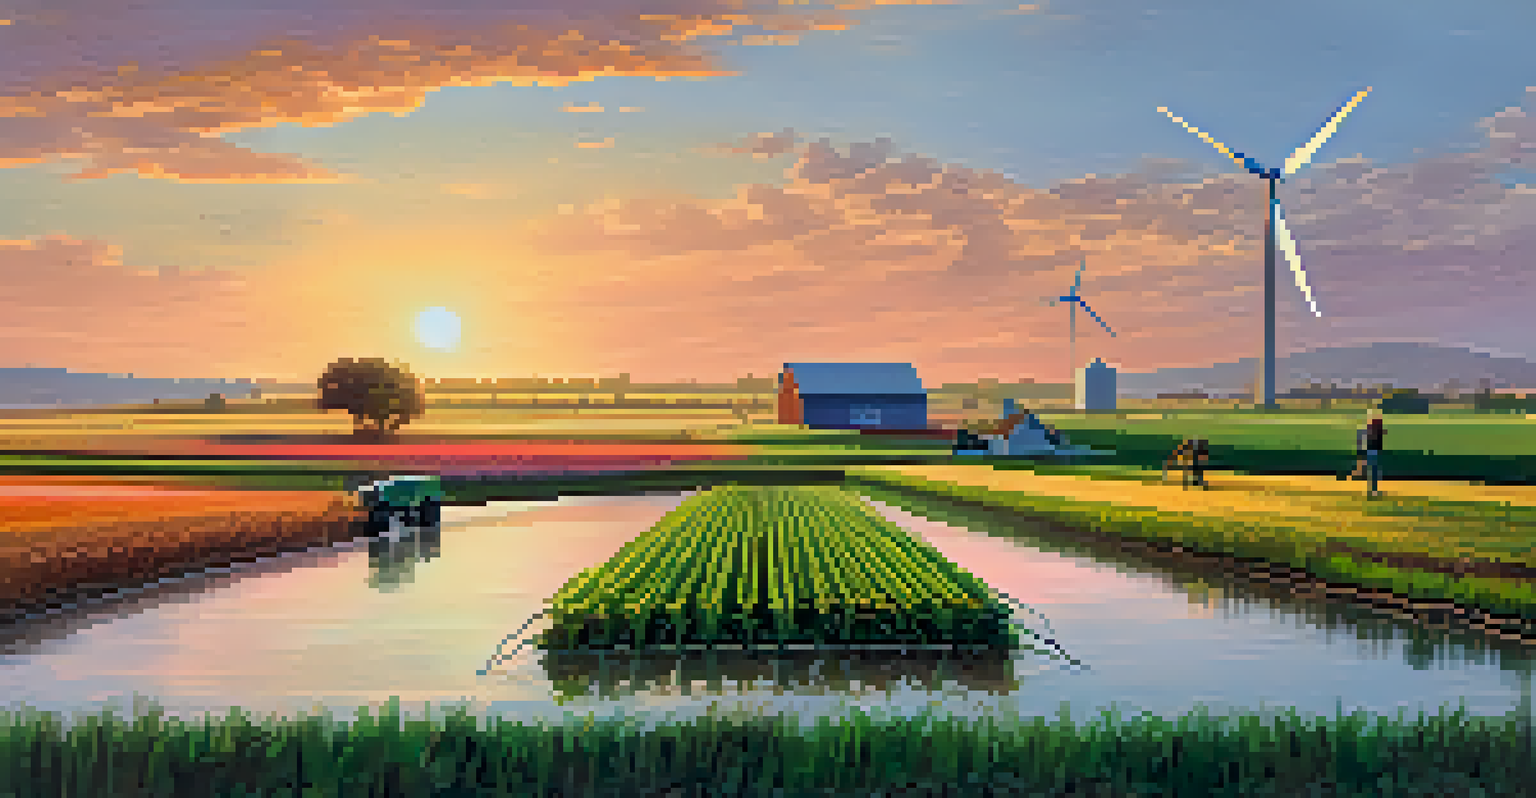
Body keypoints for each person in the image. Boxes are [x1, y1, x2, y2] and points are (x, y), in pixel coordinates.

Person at [1357, 409, 1386, 497]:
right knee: (1374, 472)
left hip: (1372, 451)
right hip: (1373, 452)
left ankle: (1372, 489)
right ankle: (1373, 490)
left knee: (1373, 472)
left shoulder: (1371, 429)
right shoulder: (1374, 430)